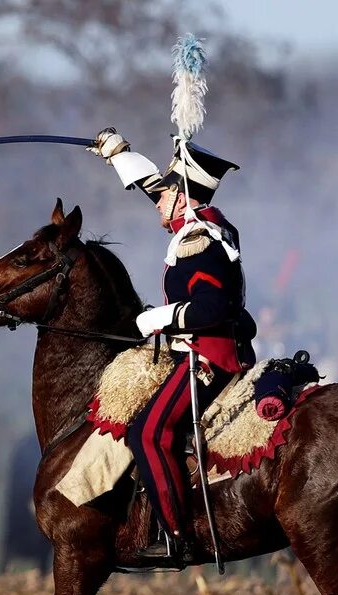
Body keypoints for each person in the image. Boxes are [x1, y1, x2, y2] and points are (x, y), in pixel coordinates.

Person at [88, 36, 256, 563]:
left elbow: (212, 312)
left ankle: (175, 535)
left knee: (149, 435)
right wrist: (119, 156)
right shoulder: (198, 224)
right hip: (198, 352)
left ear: (184, 198)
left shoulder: (198, 240)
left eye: (166, 194)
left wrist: (161, 316)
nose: (156, 199)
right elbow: (151, 184)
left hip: (206, 358)